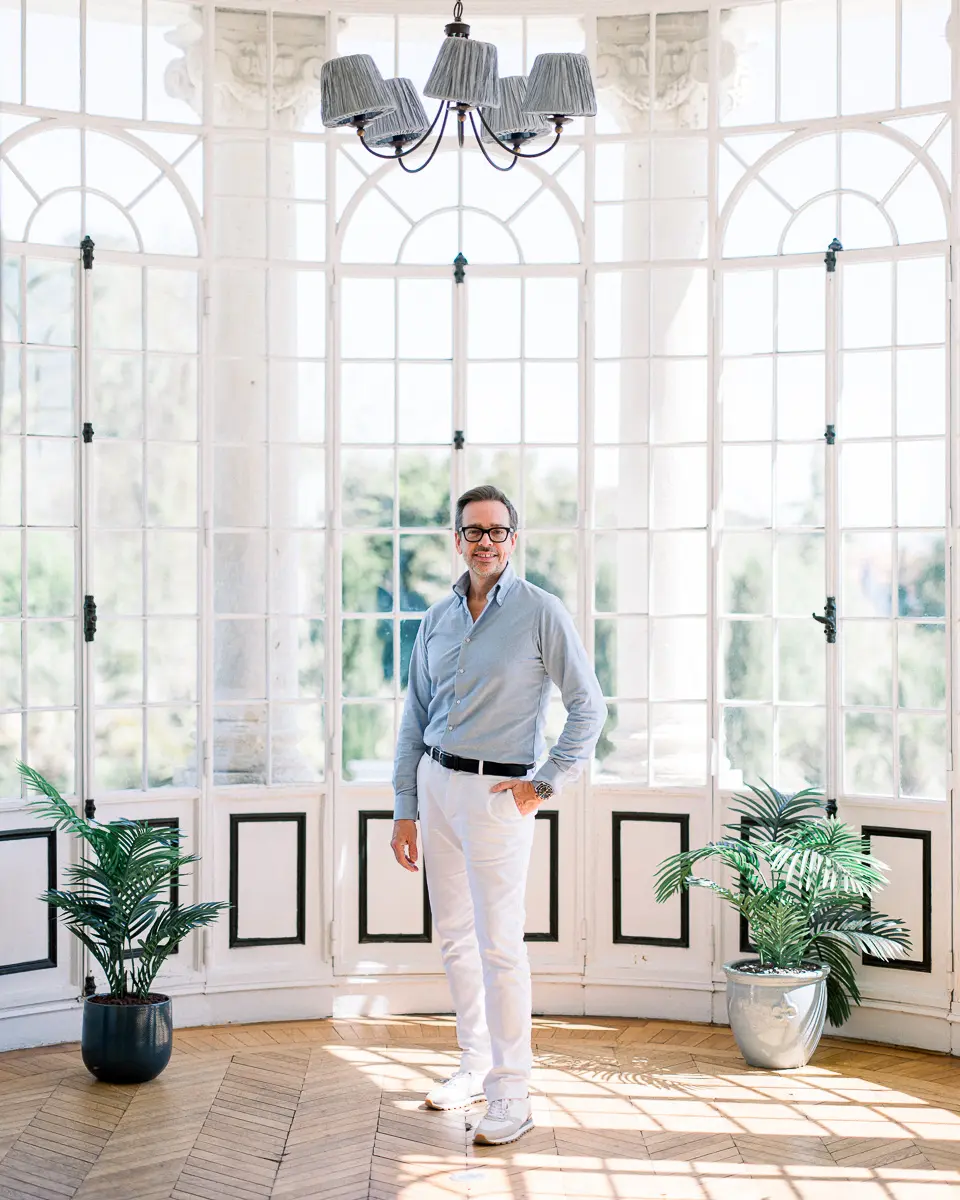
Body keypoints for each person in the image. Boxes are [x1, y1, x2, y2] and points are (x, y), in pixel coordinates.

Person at [390, 484, 606, 1146]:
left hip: (497, 797)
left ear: (514, 540)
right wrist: (405, 808)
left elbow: (589, 707)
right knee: (454, 936)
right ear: (458, 540)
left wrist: (540, 787)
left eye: (498, 530)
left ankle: (513, 1095)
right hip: (436, 784)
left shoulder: (541, 613)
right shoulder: (437, 618)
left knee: (500, 946)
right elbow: (413, 717)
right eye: (474, 531)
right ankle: (474, 1067)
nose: (486, 541)